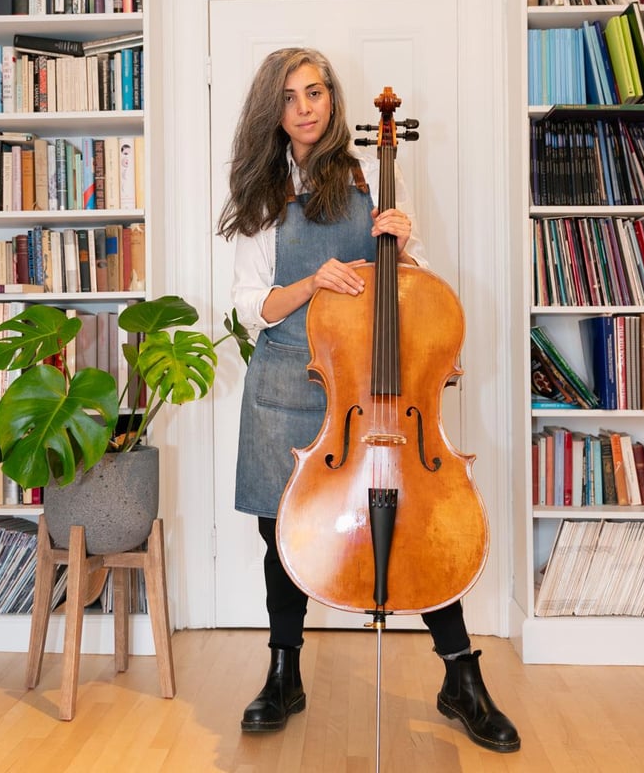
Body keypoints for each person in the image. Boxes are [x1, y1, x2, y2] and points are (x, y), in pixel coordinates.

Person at [217, 47, 520, 754]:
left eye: (315, 92)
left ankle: (460, 678)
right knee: (279, 532)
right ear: (274, 108)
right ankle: (283, 670)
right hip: (289, 378)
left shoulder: (367, 173)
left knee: (421, 521)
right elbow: (250, 303)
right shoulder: (261, 190)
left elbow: (411, 288)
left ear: (333, 100)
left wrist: (406, 245)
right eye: (290, 96)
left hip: (372, 390)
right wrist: (311, 282)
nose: (305, 107)